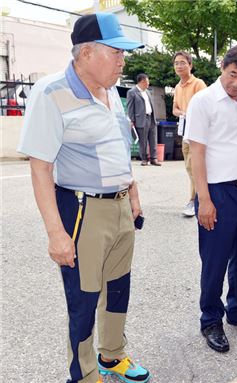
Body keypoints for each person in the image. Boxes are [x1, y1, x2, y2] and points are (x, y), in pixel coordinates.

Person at [17, 13, 150, 383]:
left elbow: (119, 149)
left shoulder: (112, 93)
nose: (123, 60)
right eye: (116, 52)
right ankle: (84, 372)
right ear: (86, 52)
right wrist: (56, 234)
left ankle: (112, 356)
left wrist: (133, 192)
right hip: (82, 209)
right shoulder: (51, 92)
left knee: (119, 287)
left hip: (121, 207)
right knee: (85, 298)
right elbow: (40, 168)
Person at [185, 44, 237, 353]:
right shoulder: (203, 101)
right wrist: (204, 200)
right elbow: (197, 153)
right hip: (217, 193)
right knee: (215, 261)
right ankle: (210, 319)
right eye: (233, 74)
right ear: (223, 66)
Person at [172, 51, 207, 217]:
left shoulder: (198, 84)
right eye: (176, 63)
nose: (179, 66)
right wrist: (183, 112)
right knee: (189, 167)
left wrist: (190, 112)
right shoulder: (178, 87)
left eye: (182, 62)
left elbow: (207, 107)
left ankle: (195, 201)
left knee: (195, 167)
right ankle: (196, 199)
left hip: (198, 133)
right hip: (185, 130)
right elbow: (174, 109)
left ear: (190, 65)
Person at [127, 73, 160, 166]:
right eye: (147, 82)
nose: (148, 84)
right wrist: (132, 121)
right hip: (141, 119)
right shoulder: (132, 92)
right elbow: (130, 108)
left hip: (151, 117)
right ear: (141, 82)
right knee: (143, 141)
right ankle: (144, 159)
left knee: (153, 139)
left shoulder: (147, 91)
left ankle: (154, 158)